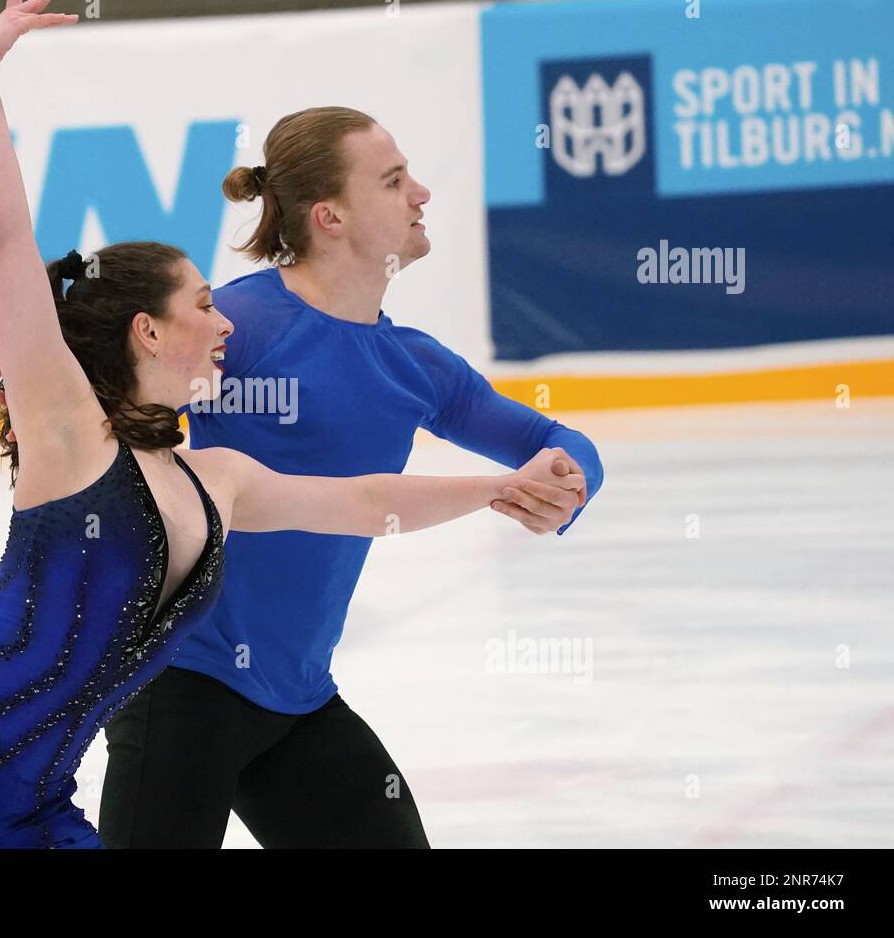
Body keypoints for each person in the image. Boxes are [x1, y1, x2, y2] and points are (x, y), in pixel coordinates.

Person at [0, 0, 587, 850]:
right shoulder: (70, 440)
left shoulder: (219, 478)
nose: (224, 322)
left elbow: (363, 501)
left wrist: (503, 490)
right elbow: (7, 234)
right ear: (148, 331)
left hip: (47, 782)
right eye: (204, 305)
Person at [94, 107, 606, 848]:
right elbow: (108, 400)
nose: (422, 193)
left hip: (297, 701)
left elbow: (556, 438)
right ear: (329, 216)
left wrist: (564, 477)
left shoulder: (415, 365)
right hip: (180, 691)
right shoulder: (236, 326)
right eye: (395, 181)